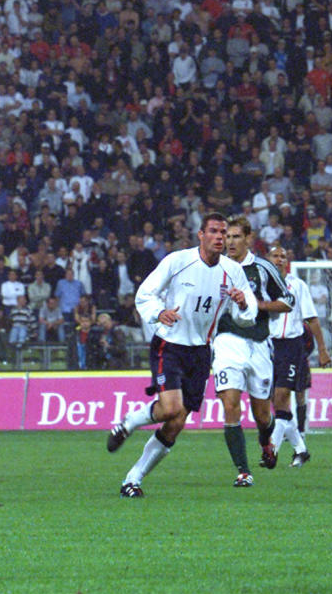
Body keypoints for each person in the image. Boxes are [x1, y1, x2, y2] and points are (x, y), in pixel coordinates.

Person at [106, 212, 256, 498]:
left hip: (201, 352)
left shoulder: (233, 271)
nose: (220, 237)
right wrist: (158, 312)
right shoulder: (178, 261)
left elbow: (247, 316)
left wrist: (244, 303)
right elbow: (145, 294)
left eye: (223, 233)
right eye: (213, 231)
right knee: (171, 408)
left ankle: (133, 479)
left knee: (175, 424)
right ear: (201, 235)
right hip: (170, 345)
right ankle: (128, 423)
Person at [211, 215, 290, 487]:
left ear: (248, 239)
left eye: (234, 236)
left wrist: (258, 305)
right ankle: (243, 471)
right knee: (230, 406)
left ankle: (265, 441)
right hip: (226, 342)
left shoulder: (264, 268)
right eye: (226, 237)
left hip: (258, 344)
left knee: (262, 416)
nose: (229, 242)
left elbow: (287, 302)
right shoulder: (214, 267)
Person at [263, 243, 331, 468]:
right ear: (268, 259)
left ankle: (271, 449)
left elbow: (311, 318)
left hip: (292, 346)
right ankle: (301, 450)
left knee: (283, 395)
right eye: (275, 256)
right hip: (267, 345)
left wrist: (322, 349)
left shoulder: (297, 285)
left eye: (283, 256)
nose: (280, 259)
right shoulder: (261, 285)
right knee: (276, 401)